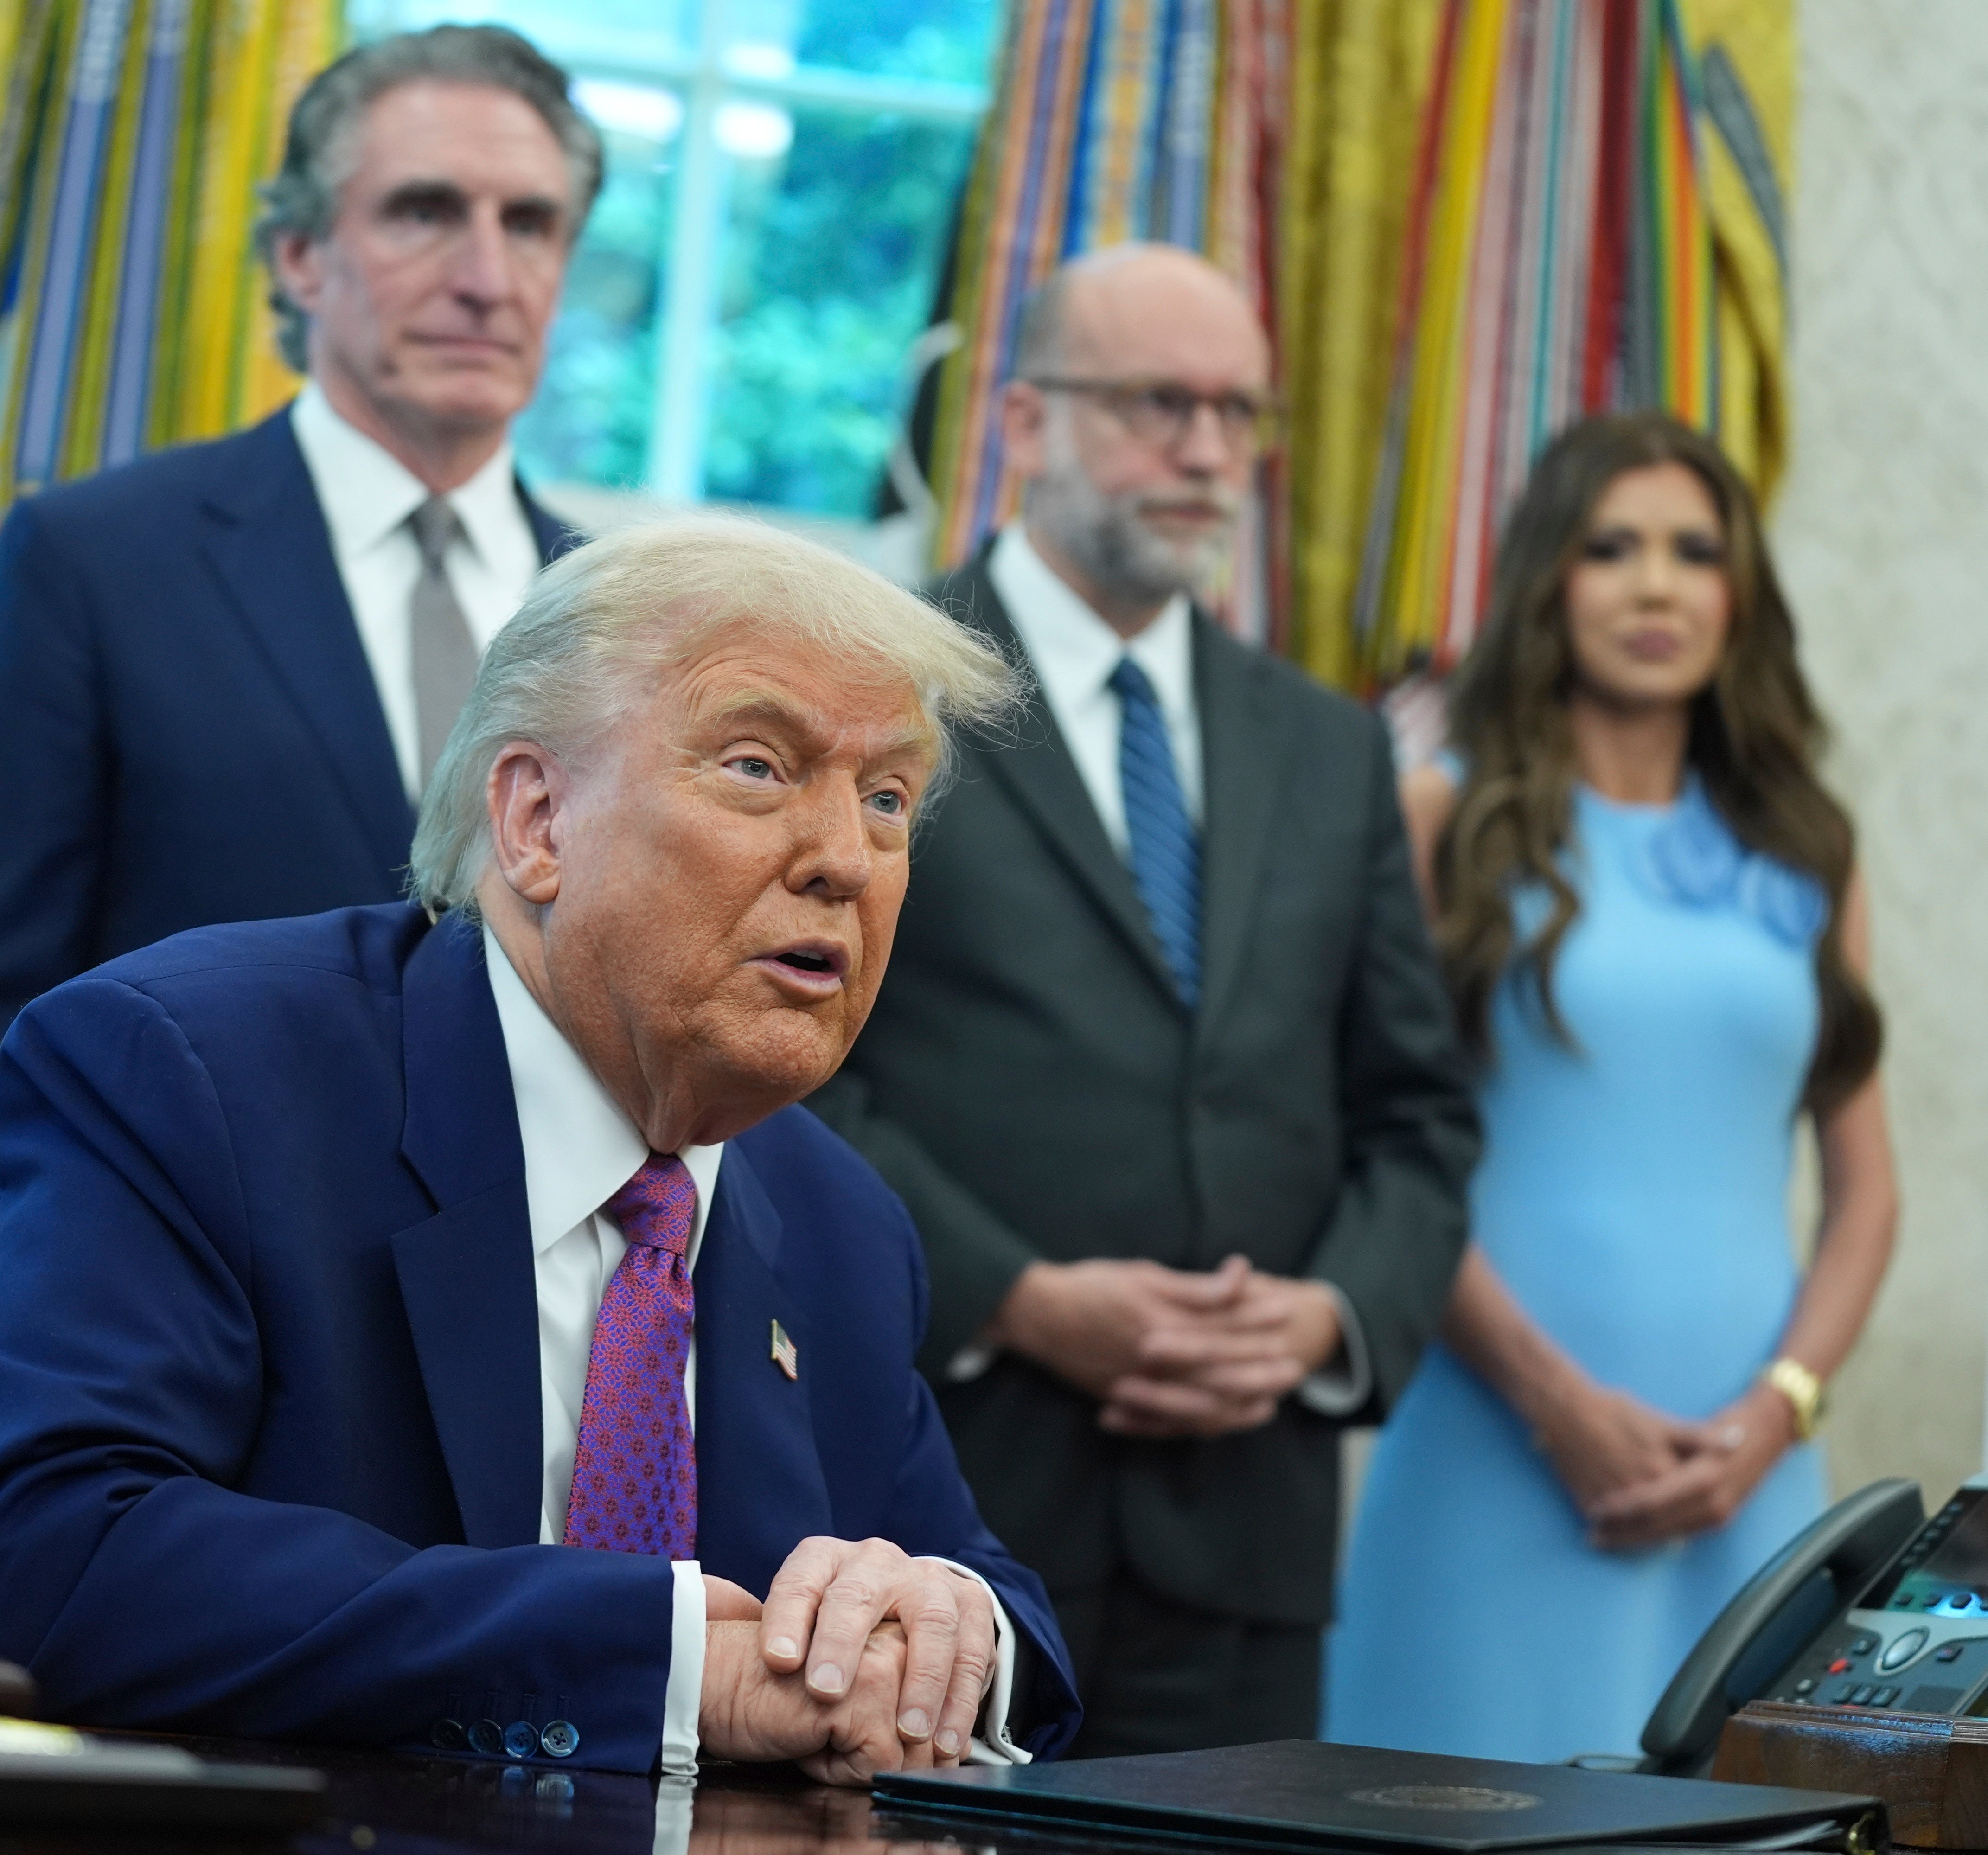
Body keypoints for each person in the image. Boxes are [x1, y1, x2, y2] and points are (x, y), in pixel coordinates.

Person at [0, 517, 1083, 1780]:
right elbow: (39, 1558)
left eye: (887, 799)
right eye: (761, 768)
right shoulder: (192, 1072)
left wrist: (951, 1639)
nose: (845, 860)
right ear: (537, 819)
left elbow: (1003, 1608)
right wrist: (665, 1663)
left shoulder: (839, 1222)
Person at [808, 244, 1479, 1754]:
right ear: (1027, 421)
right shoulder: (871, 695)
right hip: (942, 1507)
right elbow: (799, 1074)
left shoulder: (1329, 746)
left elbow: (1417, 1116)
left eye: (1238, 414)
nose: (1205, 452)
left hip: (1250, 1531)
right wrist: (1019, 1303)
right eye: (1159, 404)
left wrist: (1329, 1320)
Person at [1323, 413, 1899, 1763]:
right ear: (1549, 584)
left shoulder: (1811, 851)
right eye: (1612, 549)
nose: (1655, 586)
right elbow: (1382, 1153)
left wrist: (1777, 1415)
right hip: (1494, 1453)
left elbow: (1867, 1195)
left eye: (1694, 552)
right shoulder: (1439, 818)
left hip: (1745, 1483)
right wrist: (1554, 1406)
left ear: (1737, 594)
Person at [0, 26, 592, 1033]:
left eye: (530, 224)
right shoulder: (94, 559)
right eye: (425, 212)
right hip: (177, 1184)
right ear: (302, 257)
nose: (488, 278)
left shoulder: (619, 607)